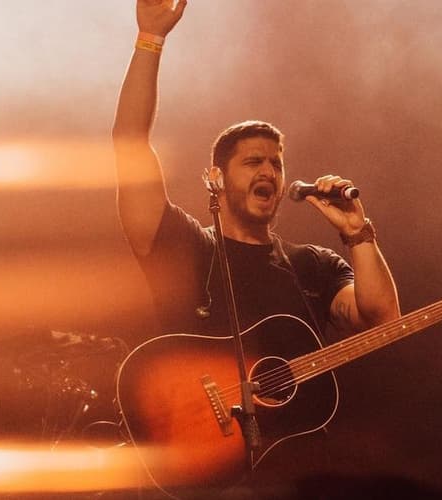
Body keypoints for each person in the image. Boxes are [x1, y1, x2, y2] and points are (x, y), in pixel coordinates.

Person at [112, 0, 400, 495]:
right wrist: (150, 39)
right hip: (199, 467)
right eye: (252, 163)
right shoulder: (181, 246)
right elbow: (129, 143)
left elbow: (383, 318)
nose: (268, 171)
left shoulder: (312, 264)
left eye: (276, 163)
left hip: (294, 473)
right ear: (216, 179)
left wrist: (358, 231)